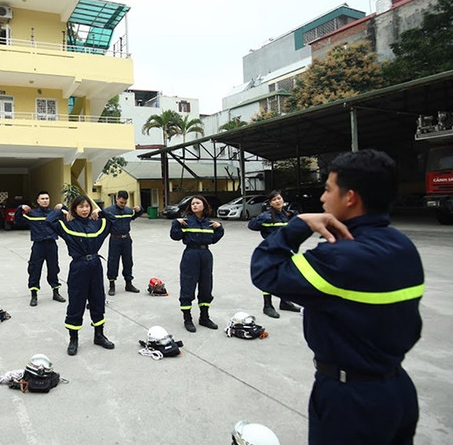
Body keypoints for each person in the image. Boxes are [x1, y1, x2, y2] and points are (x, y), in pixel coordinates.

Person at [250, 149, 423, 444]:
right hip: (397, 390)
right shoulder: (403, 246)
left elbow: (265, 271)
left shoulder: (339, 259)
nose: (322, 199)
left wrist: (299, 225)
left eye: (328, 190)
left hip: (351, 401)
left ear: (350, 198)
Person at [46, 195, 115, 356]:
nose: (85, 209)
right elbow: (49, 222)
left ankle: (99, 335)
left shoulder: (97, 223)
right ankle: (73, 339)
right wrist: (61, 210)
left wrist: (101, 211)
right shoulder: (68, 224)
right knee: (76, 303)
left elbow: (114, 221)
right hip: (78, 267)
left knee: (98, 300)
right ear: (75, 209)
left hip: (95, 266)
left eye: (87, 206)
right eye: (81, 207)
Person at [170, 195, 224, 333]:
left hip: (206, 254)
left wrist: (220, 228)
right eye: (192, 204)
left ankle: (204, 317)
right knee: (188, 285)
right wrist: (176, 223)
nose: (194, 205)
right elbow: (175, 236)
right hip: (191, 255)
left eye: (197, 203)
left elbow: (214, 239)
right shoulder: (187, 222)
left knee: (206, 285)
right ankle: (187, 319)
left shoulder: (208, 223)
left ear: (204, 206)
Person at [247, 190, 302, 318]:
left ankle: (285, 302)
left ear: (283, 200)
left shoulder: (287, 215)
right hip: (271, 250)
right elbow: (251, 225)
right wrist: (262, 218)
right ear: (270, 203)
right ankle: (267, 306)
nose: (277, 201)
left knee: (285, 276)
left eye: (279, 198)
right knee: (269, 277)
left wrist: (293, 213)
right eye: (274, 199)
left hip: (285, 250)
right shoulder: (267, 216)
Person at [15, 191, 65, 306]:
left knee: (54, 268)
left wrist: (63, 207)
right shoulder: (32, 213)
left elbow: (69, 216)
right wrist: (20, 208)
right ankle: (34, 295)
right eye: (42, 198)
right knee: (34, 269)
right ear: (37, 201)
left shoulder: (54, 213)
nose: (45, 200)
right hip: (38, 246)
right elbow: (18, 221)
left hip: (51, 245)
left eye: (47, 198)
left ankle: (56, 292)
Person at [102, 190, 143, 296]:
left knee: (128, 261)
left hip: (126, 240)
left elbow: (137, 214)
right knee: (112, 262)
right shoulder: (109, 211)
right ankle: (112, 285)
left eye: (125, 203)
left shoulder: (129, 211)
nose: (123, 204)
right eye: (121, 202)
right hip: (115, 239)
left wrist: (139, 209)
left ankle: (128, 283)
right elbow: (99, 216)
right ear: (116, 199)